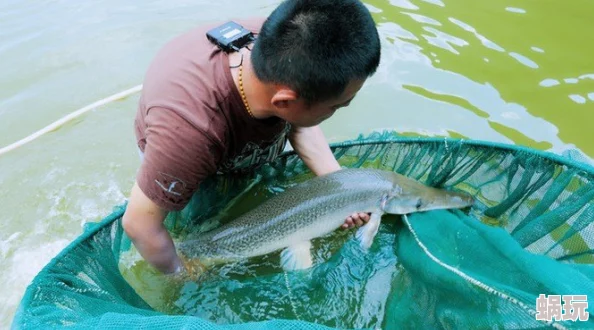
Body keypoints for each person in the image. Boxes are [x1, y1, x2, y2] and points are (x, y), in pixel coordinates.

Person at [122, 0, 382, 275]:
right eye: (336, 106)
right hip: (188, 157)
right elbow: (140, 224)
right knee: (194, 229)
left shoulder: (285, 49)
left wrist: (341, 190)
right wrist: (182, 274)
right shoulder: (190, 134)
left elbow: (300, 122)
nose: (340, 109)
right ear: (284, 102)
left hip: (237, 138)